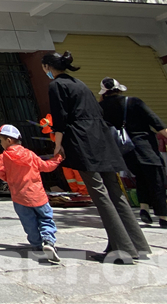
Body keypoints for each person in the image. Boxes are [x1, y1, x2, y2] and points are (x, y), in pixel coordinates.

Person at [43, 51, 150, 263]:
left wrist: (58, 144)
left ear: (47, 66)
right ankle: (136, 244)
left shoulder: (56, 85)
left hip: (83, 139)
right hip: (101, 138)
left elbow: (60, 118)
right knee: (115, 192)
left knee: (99, 192)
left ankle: (122, 249)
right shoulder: (80, 84)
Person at [99, 77, 167, 228]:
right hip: (145, 147)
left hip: (125, 149)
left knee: (141, 178)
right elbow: (155, 121)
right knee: (157, 180)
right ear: (119, 89)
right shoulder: (133, 102)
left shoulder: (101, 107)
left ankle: (144, 208)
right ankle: (163, 217)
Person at [0, 124, 64, 262]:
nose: (1, 143)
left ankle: (36, 246)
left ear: (9, 140)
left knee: (29, 223)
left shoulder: (3, 157)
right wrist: (58, 158)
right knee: (45, 218)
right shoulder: (30, 154)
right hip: (38, 196)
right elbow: (46, 167)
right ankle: (48, 241)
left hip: (19, 198)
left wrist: (10, 179)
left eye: (1, 140)